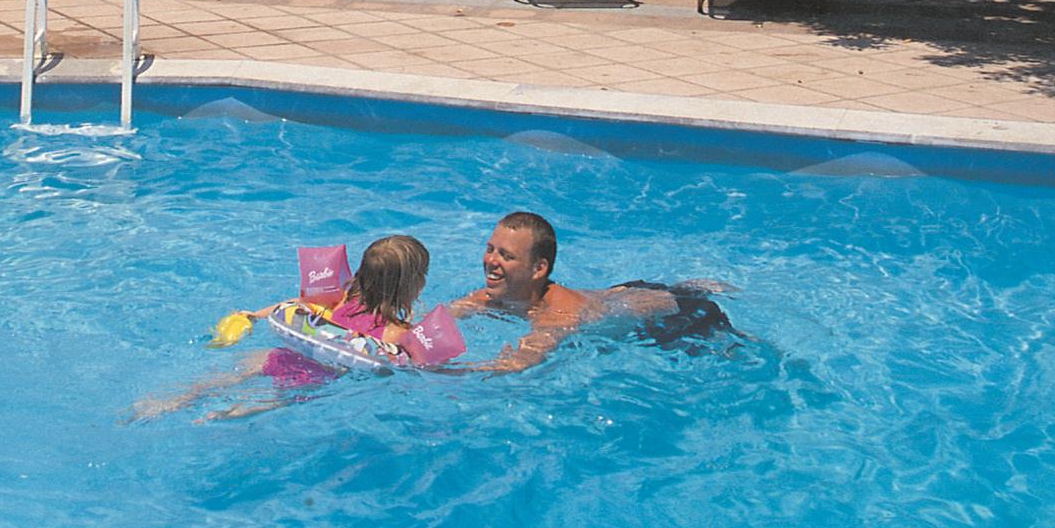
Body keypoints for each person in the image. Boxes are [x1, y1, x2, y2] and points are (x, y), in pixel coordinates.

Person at [135, 235, 445, 419]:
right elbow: (420, 362)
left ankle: (168, 402)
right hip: (317, 376)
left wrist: (253, 315)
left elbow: (293, 307)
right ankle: (227, 415)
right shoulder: (396, 331)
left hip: (280, 355)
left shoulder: (340, 298)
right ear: (413, 286)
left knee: (219, 380)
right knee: (270, 400)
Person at [448, 211, 730, 371]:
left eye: (506, 256)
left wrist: (446, 372)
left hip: (674, 315)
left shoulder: (558, 315)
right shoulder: (491, 296)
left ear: (538, 269)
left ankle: (695, 292)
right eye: (490, 250)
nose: (491, 262)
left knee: (730, 354)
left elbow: (520, 364)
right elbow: (440, 316)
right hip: (622, 293)